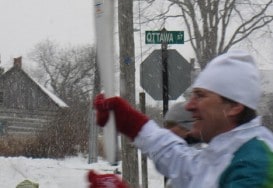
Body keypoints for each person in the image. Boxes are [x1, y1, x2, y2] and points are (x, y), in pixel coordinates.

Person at [90, 50, 273, 187]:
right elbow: (180, 161)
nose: (189, 105)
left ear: (234, 107)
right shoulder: (224, 152)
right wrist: (128, 120)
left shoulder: (256, 165)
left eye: (200, 96)